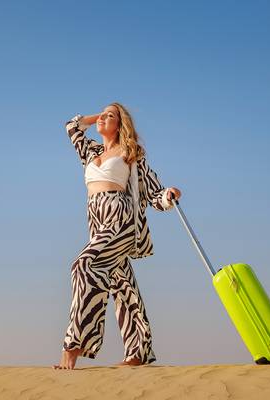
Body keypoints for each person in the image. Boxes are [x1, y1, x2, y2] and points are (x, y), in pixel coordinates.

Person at [54, 102, 182, 370]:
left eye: (110, 116)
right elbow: (72, 126)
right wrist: (97, 116)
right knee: (121, 283)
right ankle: (138, 352)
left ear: (120, 123)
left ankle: (75, 343)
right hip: (97, 221)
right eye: (102, 115)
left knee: (85, 265)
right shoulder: (91, 151)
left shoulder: (131, 152)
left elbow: (153, 191)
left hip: (120, 218)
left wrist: (168, 195)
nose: (103, 118)